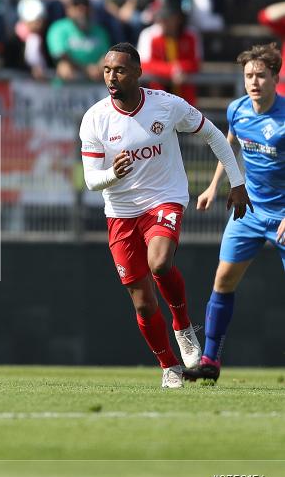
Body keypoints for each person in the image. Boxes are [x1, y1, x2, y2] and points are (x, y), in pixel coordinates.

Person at [79, 42, 250, 388]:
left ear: (138, 72)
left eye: (121, 70)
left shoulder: (166, 105)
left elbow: (213, 135)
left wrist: (237, 181)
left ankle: (183, 326)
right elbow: (90, 179)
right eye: (108, 70)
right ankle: (169, 366)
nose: (112, 77)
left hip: (164, 199)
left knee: (159, 263)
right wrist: (114, 173)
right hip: (121, 212)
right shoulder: (95, 118)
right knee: (142, 303)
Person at [184, 43, 285, 383]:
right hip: (251, 213)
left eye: (260, 75)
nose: (254, 82)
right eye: (248, 76)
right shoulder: (237, 110)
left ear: (275, 77)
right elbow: (229, 145)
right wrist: (215, 186)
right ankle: (210, 361)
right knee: (223, 280)